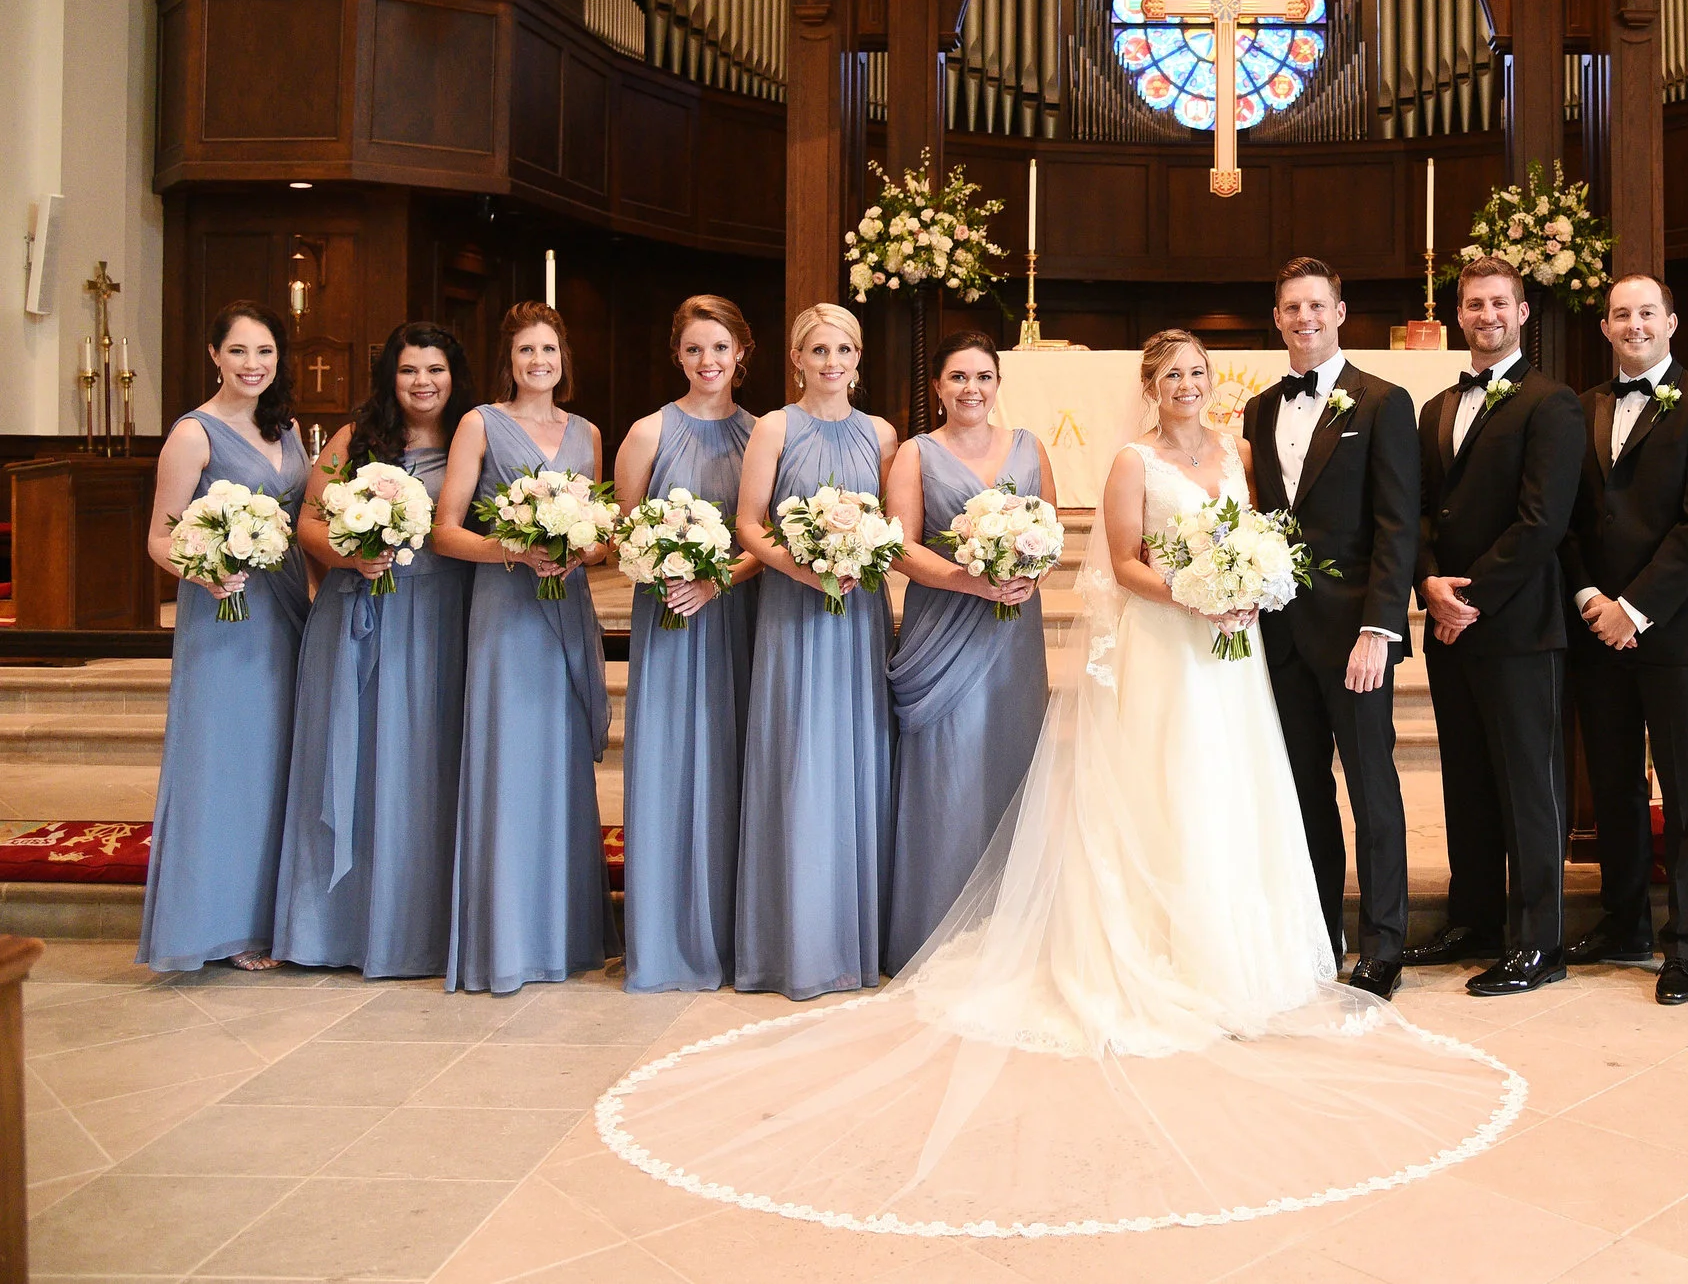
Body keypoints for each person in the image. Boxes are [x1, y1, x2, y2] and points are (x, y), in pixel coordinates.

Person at [593, 329, 1515, 1236]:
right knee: (1165, 792)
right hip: (1167, 646)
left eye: (1198, 371)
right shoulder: (1122, 461)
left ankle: (1243, 949)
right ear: (1150, 384)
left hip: (1230, 659)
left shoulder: (1238, 451)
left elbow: (1277, 536)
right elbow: (1122, 561)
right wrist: (1194, 591)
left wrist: (1248, 585)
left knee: (1234, 795)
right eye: (1173, 373)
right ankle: (1154, 947)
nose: (1187, 383)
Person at [1556, 274, 1688, 1007]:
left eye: (1646, 313)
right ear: (1605, 326)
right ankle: (1624, 921)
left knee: (1687, 790)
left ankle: (1687, 942)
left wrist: (1634, 608)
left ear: (1671, 321)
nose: (1634, 325)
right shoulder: (1580, 406)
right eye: (1621, 315)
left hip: (1674, 628)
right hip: (1596, 626)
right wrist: (1589, 598)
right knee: (1613, 786)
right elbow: (1567, 518)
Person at [271, 323, 475, 977]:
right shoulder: (356, 439)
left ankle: (422, 930)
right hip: (361, 608)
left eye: (435, 369)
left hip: (442, 616)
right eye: (409, 369)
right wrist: (349, 554)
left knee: (427, 765)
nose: (423, 382)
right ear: (391, 376)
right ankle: (340, 930)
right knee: (358, 757)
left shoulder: (474, 438)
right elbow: (307, 520)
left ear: (454, 376)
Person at [1404, 257, 1584, 997]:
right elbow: (1420, 510)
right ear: (1459, 314)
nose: (1487, 315)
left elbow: (1543, 521)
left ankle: (1539, 941)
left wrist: (1467, 598)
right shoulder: (1436, 407)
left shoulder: (1552, 403)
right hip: (1450, 622)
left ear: (1522, 311)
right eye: (1474, 304)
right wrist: (1427, 581)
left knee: (1528, 785)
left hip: (1517, 625)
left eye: (1499, 303)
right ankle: (1473, 918)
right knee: (1468, 780)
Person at [1242, 257, 1421, 997]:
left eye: (1317, 305)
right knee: (1305, 789)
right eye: (1292, 307)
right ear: (1277, 318)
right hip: (1281, 632)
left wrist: (1380, 629)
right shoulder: (1258, 409)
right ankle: (1320, 932)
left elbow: (1398, 524)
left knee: (1372, 786)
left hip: (1355, 633)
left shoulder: (1383, 401)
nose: (1304, 318)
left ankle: (1384, 943)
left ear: (1340, 312)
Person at [432, 301, 615, 994]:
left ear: (564, 357)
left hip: (566, 607)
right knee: (508, 761)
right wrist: (513, 547)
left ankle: (563, 936)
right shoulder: (480, 423)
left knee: (561, 763)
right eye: (526, 351)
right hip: (506, 614)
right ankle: (505, 940)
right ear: (508, 360)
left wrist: (582, 549)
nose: (539, 361)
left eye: (549, 350)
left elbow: (603, 536)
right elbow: (446, 529)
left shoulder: (587, 432)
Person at [137, 301, 311, 973]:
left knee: (276, 761)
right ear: (214, 355)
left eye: (264, 351)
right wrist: (204, 570)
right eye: (238, 350)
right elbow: (159, 537)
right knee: (226, 762)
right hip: (225, 613)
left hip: (285, 607)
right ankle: (221, 923)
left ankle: (271, 915)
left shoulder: (286, 429)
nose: (252, 364)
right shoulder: (193, 434)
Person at [733, 303, 898, 998]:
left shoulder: (882, 434)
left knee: (854, 756)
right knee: (799, 755)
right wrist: (802, 569)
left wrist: (863, 557)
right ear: (797, 358)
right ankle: (794, 943)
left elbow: (892, 522)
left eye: (844, 350)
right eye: (819, 350)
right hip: (794, 609)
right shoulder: (775, 427)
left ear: (859, 359)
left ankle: (855, 939)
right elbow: (749, 523)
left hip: (857, 613)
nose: (832, 362)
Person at [882, 329, 1056, 972]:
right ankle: (934, 928)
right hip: (944, 623)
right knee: (948, 771)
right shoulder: (916, 453)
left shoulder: (1030, 447)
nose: (971, 389)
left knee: (1010, 762)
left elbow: (1050, 533)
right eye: (958, 377)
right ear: (938, 386)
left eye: (983, 376)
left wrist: (1030, 573)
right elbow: (901, 546)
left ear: (998, 384)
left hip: (1012, 631)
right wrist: (970, 580)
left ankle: (1010, 932)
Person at [612, 296, 763, 993]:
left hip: (739, 614)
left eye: (720, 348)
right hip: (671, 617)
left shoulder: (764, 433)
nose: (708, 361)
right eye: (695, 348)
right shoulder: (648, 432)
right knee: (673, 763)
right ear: (677, 355)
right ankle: (669, 938)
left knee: (739, 761)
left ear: (741, 353)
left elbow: (768, 538)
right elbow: (621, 537)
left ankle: (740, 932)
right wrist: (665, 565)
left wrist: (716, 579)